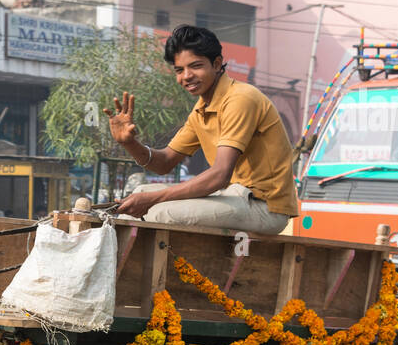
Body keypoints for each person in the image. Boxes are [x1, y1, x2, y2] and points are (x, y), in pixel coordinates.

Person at [107, 24, 300, 233]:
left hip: (265, 207)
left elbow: (219, 176)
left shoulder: (240, 99)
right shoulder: (202, 109)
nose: (186, 76)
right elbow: (164, 163)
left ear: (217, 64)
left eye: (195, 66)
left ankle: (157, 265)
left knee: (160, 212)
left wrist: (152, 199)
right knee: (139, 193)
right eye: (179, 70)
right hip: (233, 197)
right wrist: (129, 143)